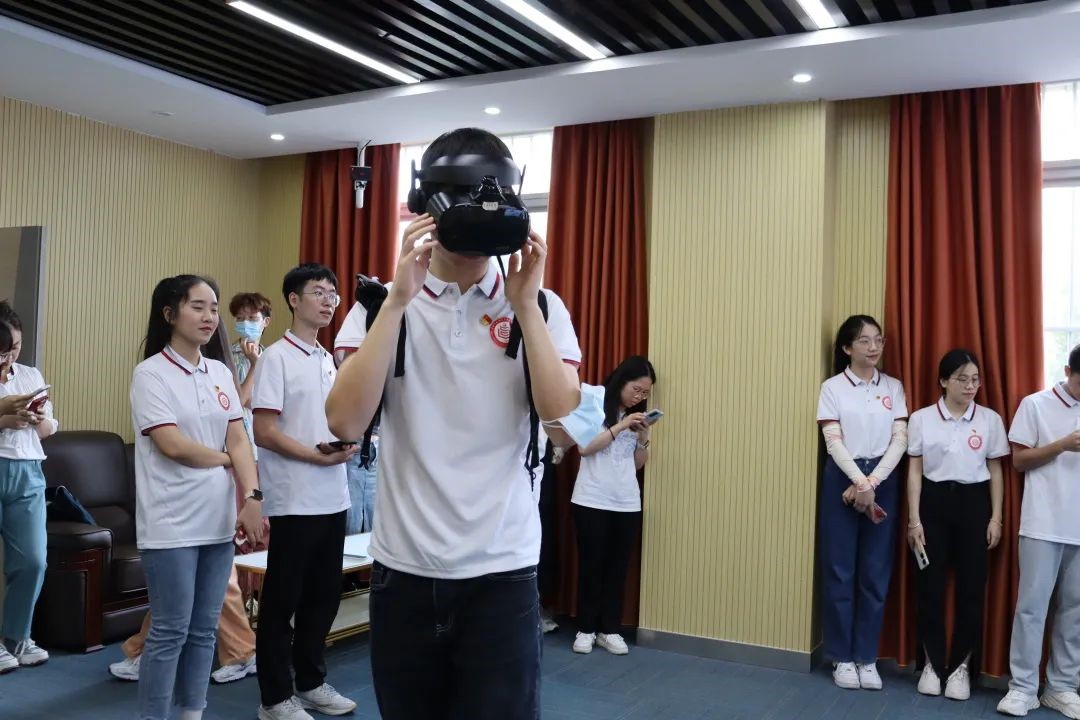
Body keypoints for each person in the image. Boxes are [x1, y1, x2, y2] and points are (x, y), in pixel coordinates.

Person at [325, 128, 582, 720]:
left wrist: (524, 305)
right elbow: (343, 422)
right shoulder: (378, 307)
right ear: (426, 207)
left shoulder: (542, 307)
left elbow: (563, 424)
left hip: (502, 571)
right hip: (404, 569)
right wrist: (397, 300)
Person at [130, 275, 263, 720]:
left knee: (205, 630)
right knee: (170, 630)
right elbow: (173, 445)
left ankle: (192, 714)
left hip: (217, 521)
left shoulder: (220, 372)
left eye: (213, 308)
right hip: (170, 523)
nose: (209, 317)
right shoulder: (150, 374)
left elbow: (240, 440)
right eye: (198, 307)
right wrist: (228, 460)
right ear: (169, 314)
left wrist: (253, 496)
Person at [252, 264, 356, 720]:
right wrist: (315, 457)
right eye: (319, 292)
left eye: (333, 293)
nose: (329, 300)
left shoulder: (327, 359)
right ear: (294, 300)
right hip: (295, 497)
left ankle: (311, 682)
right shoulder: (276, 358)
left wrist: (345, 443)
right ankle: (274, 698)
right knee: (283, 601)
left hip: (334, 493)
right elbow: (264, 431)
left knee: (324, 596)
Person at [906, 349, 1006, 700]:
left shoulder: (990, 420)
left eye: (975, 379)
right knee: (929, 588)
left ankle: (962, 667)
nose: (970, 386)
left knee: (971, 590)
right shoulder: (921, 418)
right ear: (943, 381)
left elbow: (996, 470)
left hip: (974, 504)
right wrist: (914, 520)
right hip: (933, 503)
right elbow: (915, 471)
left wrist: (996, 517)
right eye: (962, 379)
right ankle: (932, 664)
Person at [816, 314, 908, 691]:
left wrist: (872, 483)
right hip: (843, 475)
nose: (873, 347)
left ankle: (866, 657)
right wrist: (858, 480)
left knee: (875, 571)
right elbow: (832, 441)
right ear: (847, 348)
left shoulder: (894, 386)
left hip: (882, 477)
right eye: (864, 341)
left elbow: (900, 439)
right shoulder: (833, 387)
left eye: (878, 340)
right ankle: (841, 656)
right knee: (840, 569)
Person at [997, 344, 1080, 719]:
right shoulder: (1035, 405)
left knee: (1074, 612)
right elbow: (1018, 460)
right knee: (1031, 609)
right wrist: (1062, 445)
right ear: (1067, 371)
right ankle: (1023, 688)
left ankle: (1061, 687)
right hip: (1042, 523)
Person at [570, 356, 656, 656]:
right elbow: (584, 448)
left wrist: (643, 439)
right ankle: (585, 629)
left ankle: (610, 630)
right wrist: (620, 426)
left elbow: (637, 465)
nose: (639, 397)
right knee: (591, 566)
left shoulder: (637, 418)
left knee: (617, 569)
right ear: (622, 381)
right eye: (636, 389)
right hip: (591, 499)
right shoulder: (593, 404)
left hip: (627, 502)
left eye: (645, 393)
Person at [0, 301, 57, 672]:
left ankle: (16, 637)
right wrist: (5, 419)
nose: (10, 356)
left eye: (16, 347)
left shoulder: (30, 375)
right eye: (5, 349)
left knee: (34, 560)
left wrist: (36, 420)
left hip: (28, 471)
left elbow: (50, 427)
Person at [334, 301, 379, 534]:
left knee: (378, 530)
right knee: (349, 530)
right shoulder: (363, 312)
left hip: (383, 446)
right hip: (352, 446)